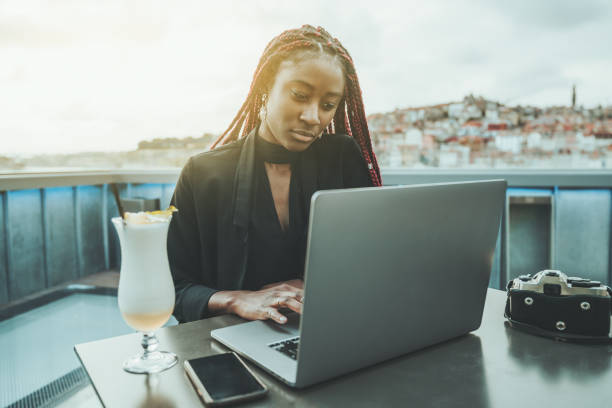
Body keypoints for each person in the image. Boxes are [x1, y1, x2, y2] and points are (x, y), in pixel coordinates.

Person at [168, 24, 382, 324]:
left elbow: (372, 259)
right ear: (266, 87)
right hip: (228, 339)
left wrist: (314, 287)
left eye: (328, 105)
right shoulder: (203, 173)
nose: (312, 117)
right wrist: (236, 299)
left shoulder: (343, 158)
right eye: (299, 95)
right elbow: (173, 288)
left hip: (329, 326)